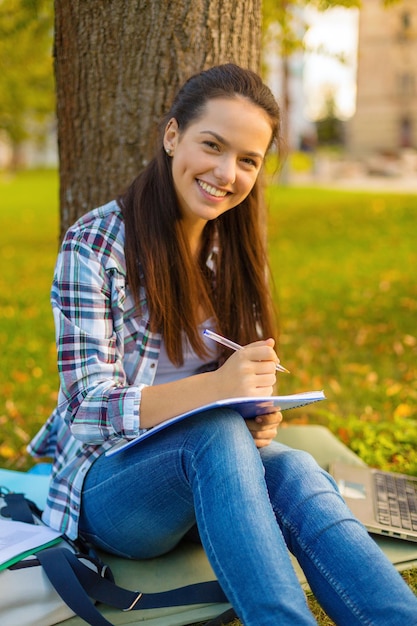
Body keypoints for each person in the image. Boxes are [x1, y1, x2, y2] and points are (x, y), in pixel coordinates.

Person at [29, 64, 417, 625]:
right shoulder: (95, 245)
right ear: (172, 136)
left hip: (218, 473)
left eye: (248, 161)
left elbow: (236, 387)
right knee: (211, 431)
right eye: (211, 144)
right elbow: (87, 410)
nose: (225, 173)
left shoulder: (234, 248)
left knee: (299, 470)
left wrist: (257, 410)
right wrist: (217, 392)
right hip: (112, 490)